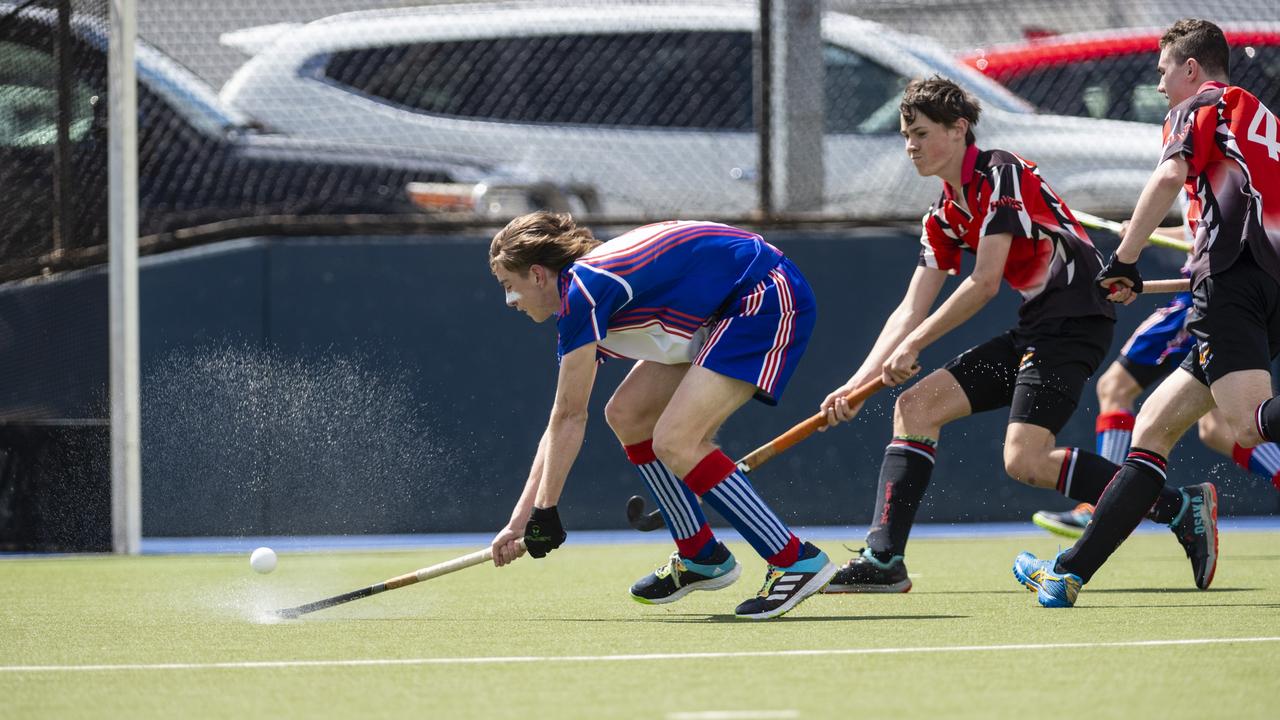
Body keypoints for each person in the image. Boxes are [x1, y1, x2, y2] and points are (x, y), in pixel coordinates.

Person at [814, 76, 1205, 594]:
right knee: (916, 407)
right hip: (1035, 330)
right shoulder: (943, 215)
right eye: (906, 134)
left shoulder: (1000, 172)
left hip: (1075, 324)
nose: (911, 145)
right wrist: (856, 384)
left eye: (922, 133)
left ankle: (1176, 505)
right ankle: (885, 560)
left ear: (958, 130)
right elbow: (909, 308)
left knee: (1025, 459)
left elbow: (984, 283)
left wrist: (914, 347)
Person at [1015, 18, 1278, 607]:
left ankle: (1069, 569)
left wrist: (1124, 260)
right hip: (1264, 285)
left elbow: (1169, 173)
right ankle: (1068, 572)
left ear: (1190, 68)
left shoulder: (1200, 104)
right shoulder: (1262, 120)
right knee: (1153, 426)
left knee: (1246, 423)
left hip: (1231, 290)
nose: (1159, 85)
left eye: (1162, 71)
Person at [487, 211, 835, 620]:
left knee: (676, 440)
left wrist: (547, 510)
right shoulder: (585, 292)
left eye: (510, 286)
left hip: (762, 297)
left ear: (538, 275)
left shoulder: (584, 290)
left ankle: (795, 559)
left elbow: (569, 417)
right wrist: (522, 519)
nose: (510, 301)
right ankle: (700, 554)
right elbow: (560, 419)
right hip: (713, 314)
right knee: (628, 414)